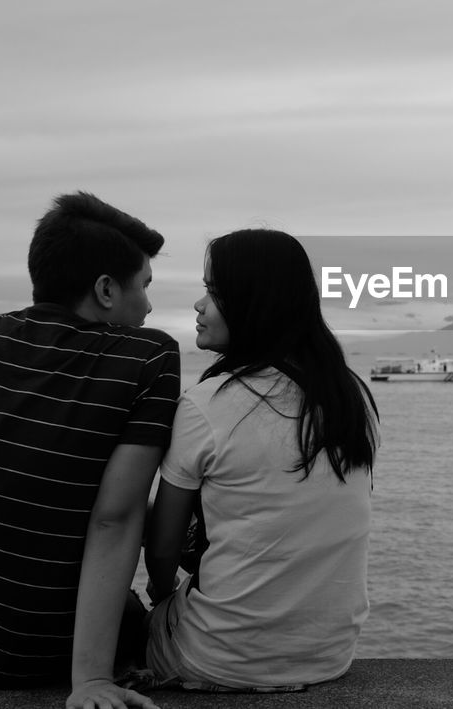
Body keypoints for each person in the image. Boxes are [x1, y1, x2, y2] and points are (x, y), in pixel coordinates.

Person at [0, 191, 180, 709]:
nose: (151, 305)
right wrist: (90, 680)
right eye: (146, 286)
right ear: (106, 290)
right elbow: (115, 519)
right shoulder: (148, 355)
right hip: (34, 643)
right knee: (154, 616)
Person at [143, 228, 378, 692]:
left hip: (218, 659)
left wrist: (160, 594)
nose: (199, 305)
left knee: (127, 603)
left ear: (252, 301)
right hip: (329, 655)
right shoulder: (348, 396)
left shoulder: (206, 403)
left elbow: (163, 549)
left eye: (212, 290)